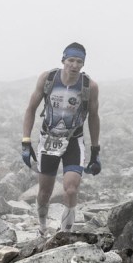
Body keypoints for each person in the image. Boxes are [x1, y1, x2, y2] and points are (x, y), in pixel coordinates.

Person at [21, 42, 101, 234]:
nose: (74, 65)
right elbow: (31, 109)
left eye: (79, 61)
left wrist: (95, 150)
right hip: (48, 139)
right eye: (71, 60)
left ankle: (65, 234)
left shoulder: (89, 86)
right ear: (63, 60)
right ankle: (42, 228)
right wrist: (26, 140)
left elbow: (94, 116)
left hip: (74, 140)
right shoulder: (48, 78)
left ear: (83, 64)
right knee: (45, 192)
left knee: (71, 189)